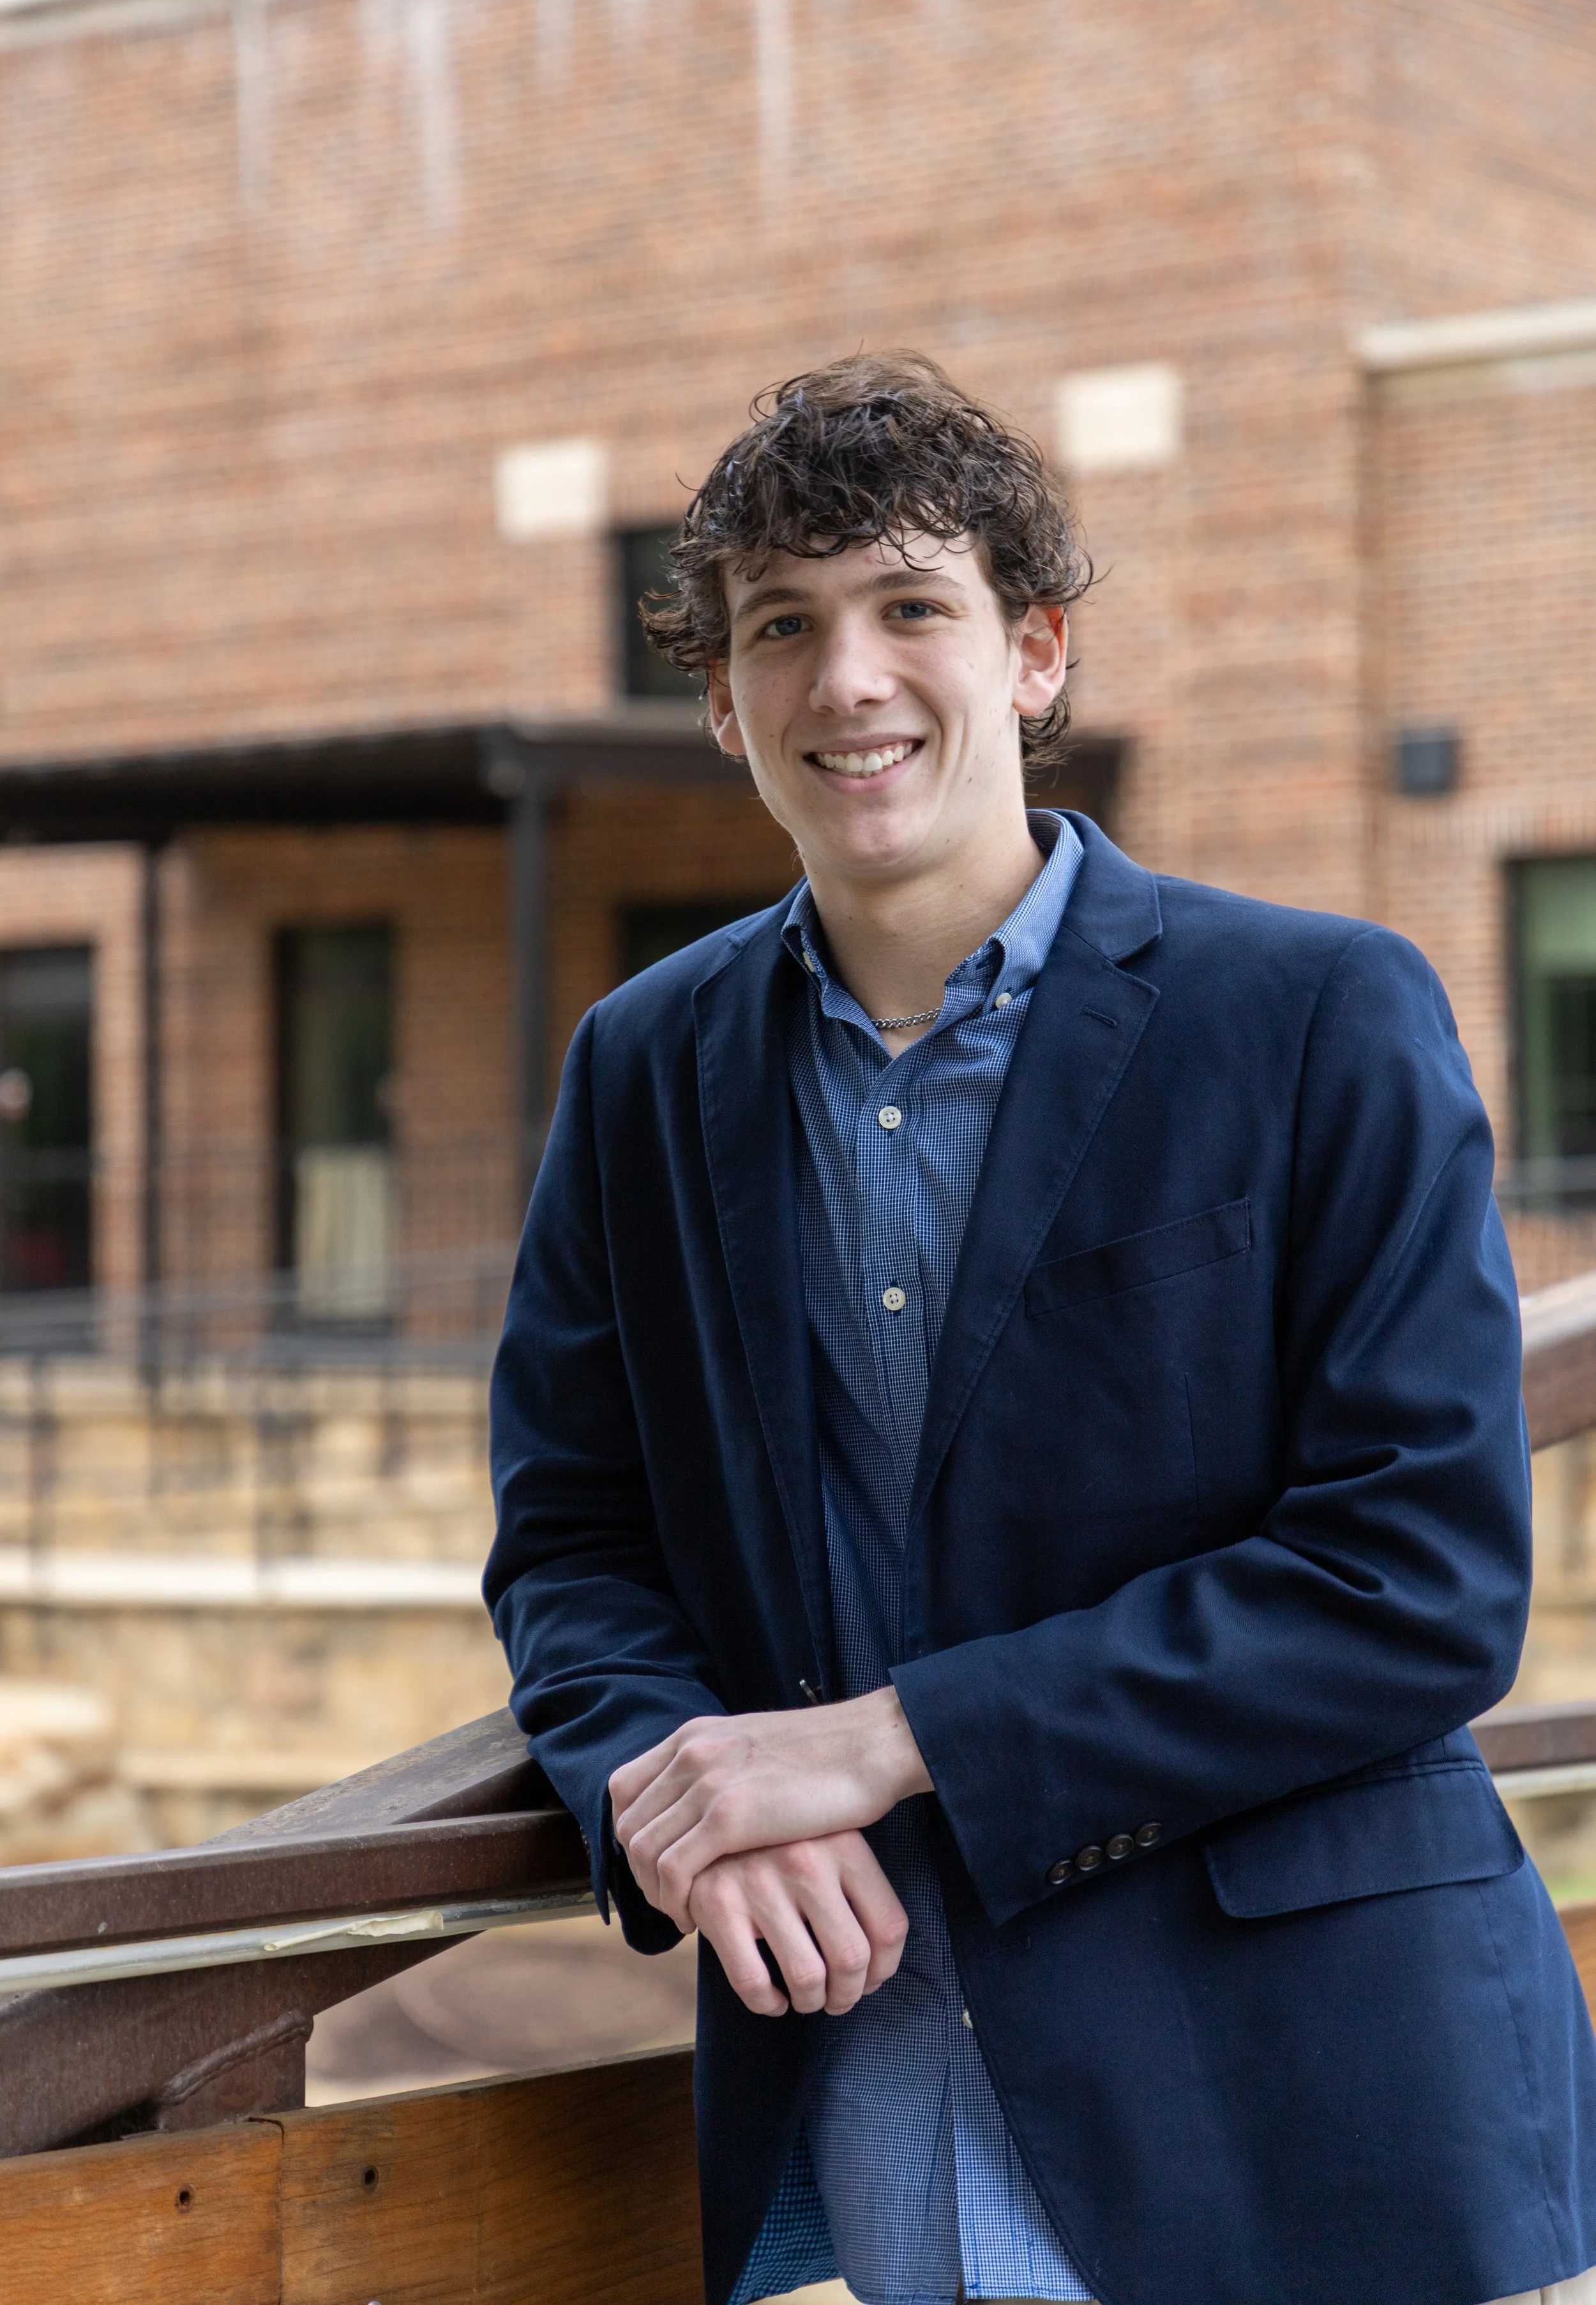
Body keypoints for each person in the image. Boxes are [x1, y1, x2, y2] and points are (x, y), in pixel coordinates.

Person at [485, 352, 1596, 2305]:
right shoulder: (638, 1066)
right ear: (723, 702)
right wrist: (683, 1795)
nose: (847, 680)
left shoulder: (1317, 1012)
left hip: (1313, 2099)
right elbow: (572, 1538)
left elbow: (1417, 1580)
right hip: (880, 2071)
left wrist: (880, 1742)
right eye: (781, 629)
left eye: (912, 607)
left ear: (1034, 652)